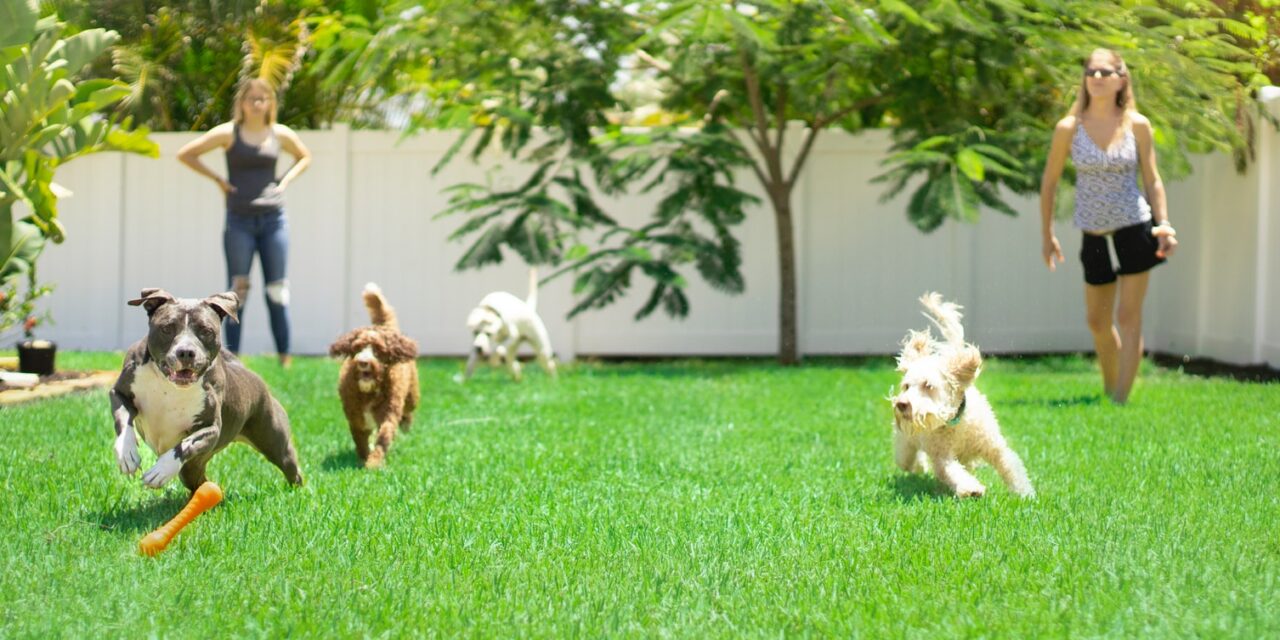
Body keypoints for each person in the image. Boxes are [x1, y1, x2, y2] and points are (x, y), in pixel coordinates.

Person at [1040, 48, 1178, 404]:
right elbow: (1050, 183)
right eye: (1091, 72)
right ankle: (1109, 384)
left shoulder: (1138, 125)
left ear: (1121, 79)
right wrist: (1047, 234)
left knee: (1128, 316)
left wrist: (1164, 225)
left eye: (1105, 72)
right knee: (1097, 322)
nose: (1097, 78)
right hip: (1093, 232)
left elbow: (1153, 180)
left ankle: (1120, 399)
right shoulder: (1069, 128)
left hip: (1134, 227)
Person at [177, 78, 311, 368]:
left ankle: (285, 358)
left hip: (273, 220)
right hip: (239, 220)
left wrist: (284, 181)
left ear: (270, 103)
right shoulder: (229, 133)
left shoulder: (279, 134)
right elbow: (186, 154)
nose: (257, 103)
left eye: (263, 98)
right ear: (242, 103)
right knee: (237, 292)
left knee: (277, 290)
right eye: (252, 98)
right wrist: (219, 181)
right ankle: (232, 359)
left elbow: (304, 157)